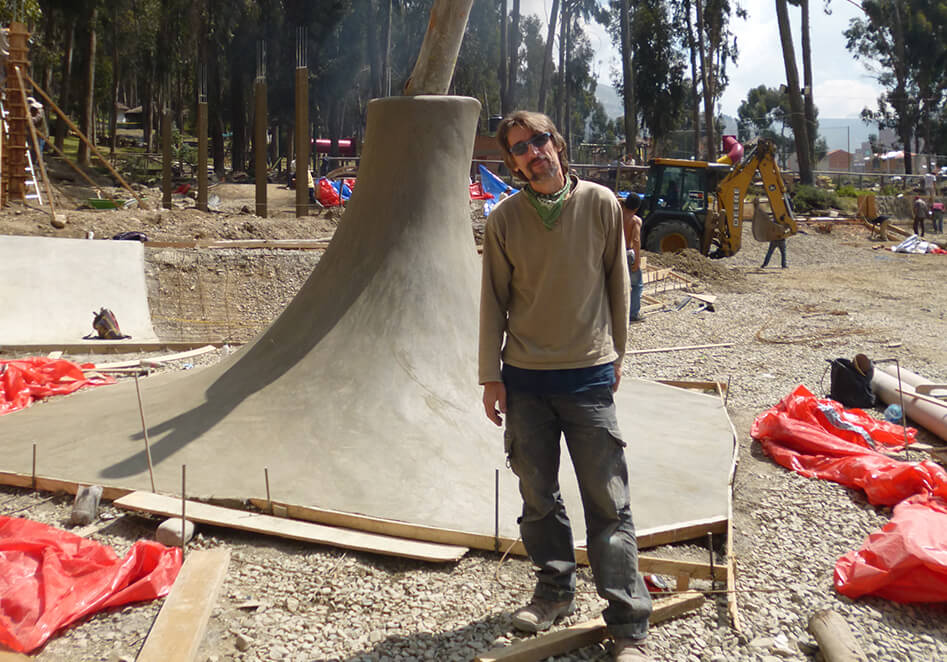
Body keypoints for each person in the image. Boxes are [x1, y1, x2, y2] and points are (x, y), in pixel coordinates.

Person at [479, 110, 653, 662]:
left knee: (608, 500)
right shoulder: (504, 219)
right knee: (537, 497)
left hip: (587, 378)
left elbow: (616, 283)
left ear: (558, 143)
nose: (533, 152)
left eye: (539, 141)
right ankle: (553, 589)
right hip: (526, 381)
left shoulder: (601, 204)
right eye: (520, 148)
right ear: (512, 162)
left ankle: (628, 624)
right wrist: (490, 375)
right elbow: (493, 302)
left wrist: (618, 354)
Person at [622, 193, 644, 322]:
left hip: (615, 251)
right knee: (636, 285)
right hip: (628, 253)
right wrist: (637, 260)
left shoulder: (616, 215)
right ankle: (633, 314)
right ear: (637, 208)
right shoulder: (635, 220)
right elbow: (636, 240)